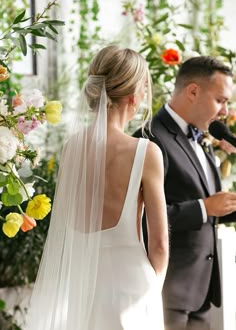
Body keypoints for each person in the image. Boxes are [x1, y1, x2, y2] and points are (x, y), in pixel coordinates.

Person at [25, 45, 169, 330]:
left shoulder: (71, 149)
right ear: (134, 96)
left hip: (82, 287)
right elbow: (160, 243)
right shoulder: (145, 152)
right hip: (132, 287)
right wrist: (153, 290)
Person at [134, 56, 236, 330]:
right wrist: (204, 208)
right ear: (193, 91)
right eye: (221, 100)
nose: (225, 111)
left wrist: (218, 207)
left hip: (202, 293)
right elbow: (139, 219)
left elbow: (212, 208)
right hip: (168, 292)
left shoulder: (203, 138)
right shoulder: (150, 136)